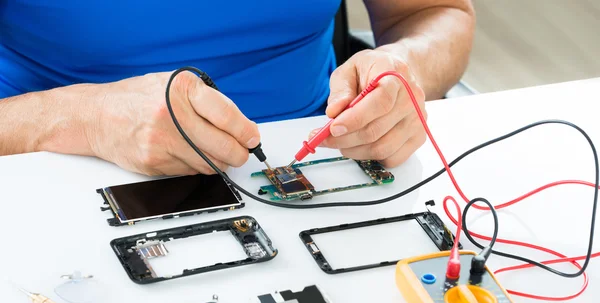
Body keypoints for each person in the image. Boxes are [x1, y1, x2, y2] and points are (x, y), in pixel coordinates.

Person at [0, 0, 475, 176]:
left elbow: (434, 13)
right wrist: (87, 118)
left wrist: (405, 68)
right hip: (61, 170)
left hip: (321, 160)